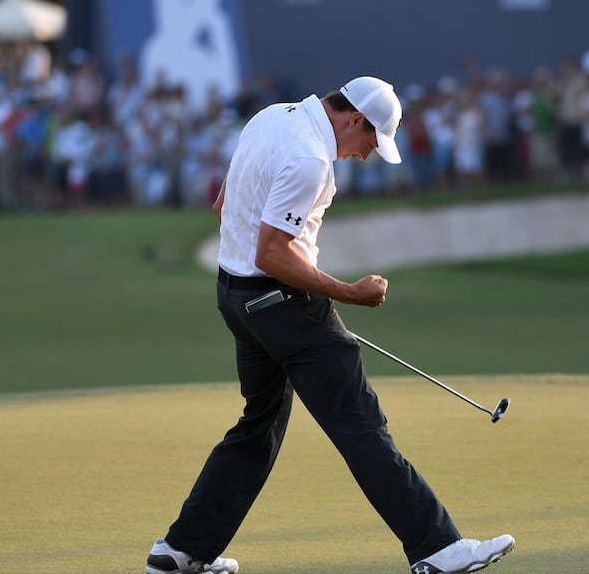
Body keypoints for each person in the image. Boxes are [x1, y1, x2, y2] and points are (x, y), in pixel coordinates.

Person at [144, 76, 515, 574]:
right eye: (369, 142)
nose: (365, 155)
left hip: (235, 297)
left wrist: (273, 291)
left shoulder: (271, 117)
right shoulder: (311, 159)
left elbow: (223, 209)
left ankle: (180, 551)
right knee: (360, 425)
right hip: (284, 304)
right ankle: (438, 549)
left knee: (259, 426)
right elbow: (272, 252)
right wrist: (349, 294)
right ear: (354, 119)